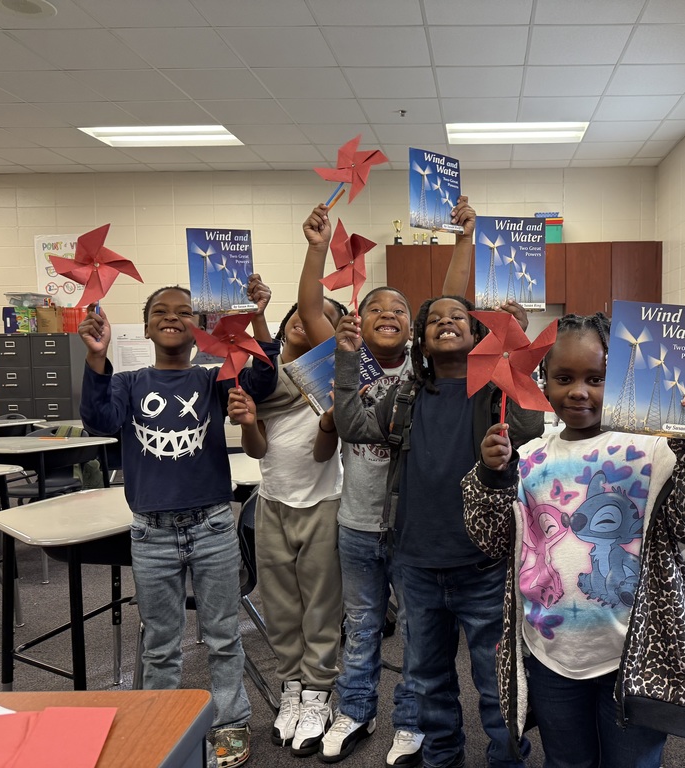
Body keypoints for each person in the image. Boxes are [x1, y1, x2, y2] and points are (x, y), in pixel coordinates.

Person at [460, 312, 685, 768]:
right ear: (543, 382)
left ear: (622, 379)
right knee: (566, 761)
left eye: (596, 378)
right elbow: (492, 540)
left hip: (634, 661)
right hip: (551, 655)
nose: (579, 391)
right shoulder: (527, 458)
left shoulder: (657, 450)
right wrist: (492, 479)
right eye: (564, 378)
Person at [298, 198, 479, 765]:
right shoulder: (349, 360)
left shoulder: (422, 369)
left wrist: (463, 240)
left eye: (402, 310)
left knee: (421, 641)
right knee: (361, 625)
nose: (388, 313)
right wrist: (317, 247)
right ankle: (355, 709)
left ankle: (410, 720)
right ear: (358, 320)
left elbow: (450, 305)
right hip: (356, 521)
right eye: (375, 306)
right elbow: (308, 311)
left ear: (416, 329)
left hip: (411, 528)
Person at [332, 290, 542, 768]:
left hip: (483, 566)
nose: (446, 322)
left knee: (497, 684)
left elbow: (530, 428)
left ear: (478, 335)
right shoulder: (403, 396)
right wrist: (347, 363)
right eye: (435, 320)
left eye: (459, 317)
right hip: (417, 567)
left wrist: (517, 349)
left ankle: (508, 760)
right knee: (428, 682)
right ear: (421, 344)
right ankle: (441, 758)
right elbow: (353, 426)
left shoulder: (495, 394)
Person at [78, 281, 280, 768]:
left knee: (222, 633)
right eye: (160, 312)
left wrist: (257, 319)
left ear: (200, 328)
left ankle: (230, 720)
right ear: (146, 326)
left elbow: (264, 383)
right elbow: (99, 420)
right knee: (160, 640)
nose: (172, 317)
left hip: (211, 526)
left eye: (185, 312)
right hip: (151, 533)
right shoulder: (127, 382)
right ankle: (160, 719)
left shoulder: (215, 378)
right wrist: (97, 358)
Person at [229, 203, 351, 759]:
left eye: (316, 317)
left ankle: (320, 689)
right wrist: (250, 425)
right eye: (295, 320)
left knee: (321, 604)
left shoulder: (331, 375)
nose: (303, 322)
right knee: (280, 603)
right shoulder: (268, 378)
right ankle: (294, 685)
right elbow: (257, 448)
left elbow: (328, 444)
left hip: (323, 503)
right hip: (273, 502)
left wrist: (314, 250)